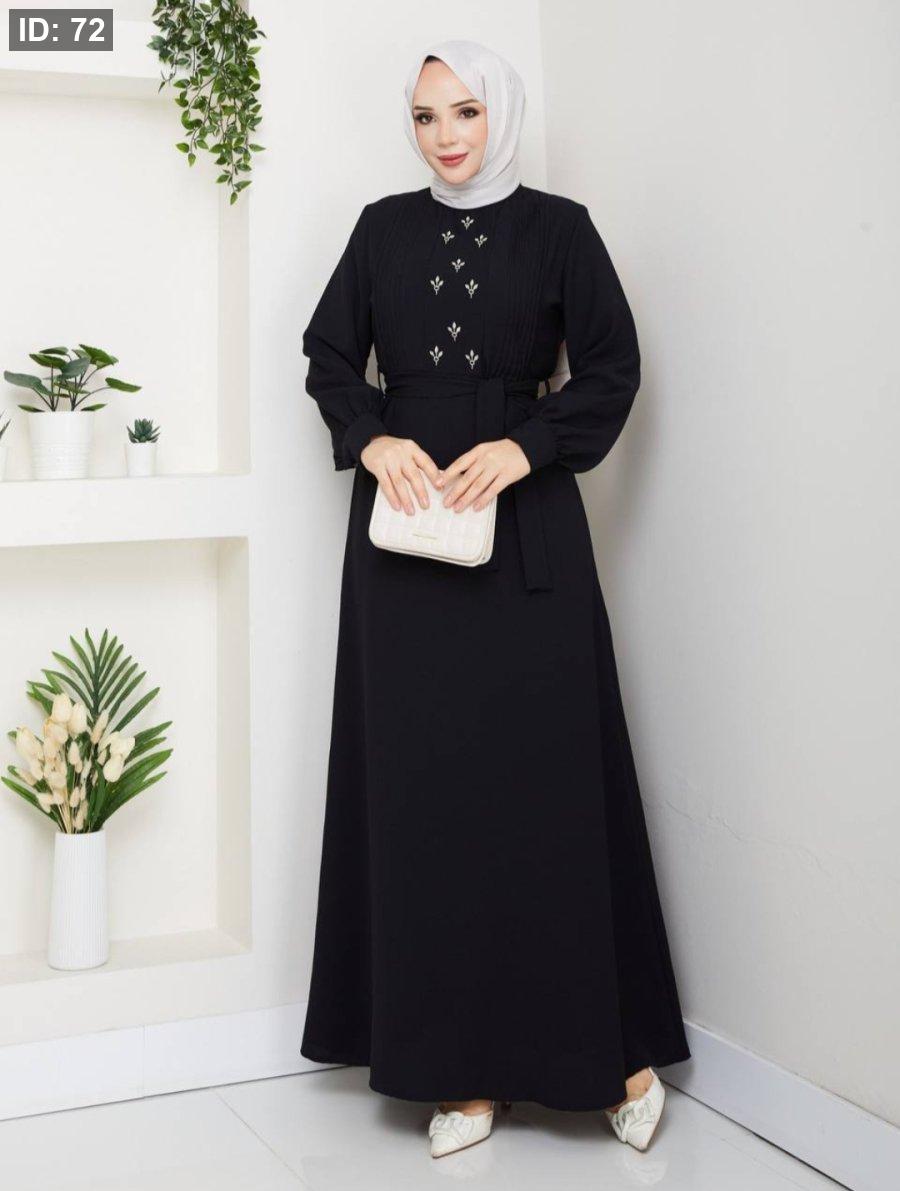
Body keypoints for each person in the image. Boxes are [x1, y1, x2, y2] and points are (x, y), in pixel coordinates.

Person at [299, 37, 691, 1159]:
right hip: (406, 544)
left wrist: (529, 447)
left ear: (501, 113)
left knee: (548, 789)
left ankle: (605, 1053)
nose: (446, 136)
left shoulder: (561, 229)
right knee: (426, 799)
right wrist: (372, 437)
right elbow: (328, 354)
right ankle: (457, 1071)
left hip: (528, 535)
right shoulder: (381, 230)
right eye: (426, 116)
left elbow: (611, 366)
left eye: (465, 111)